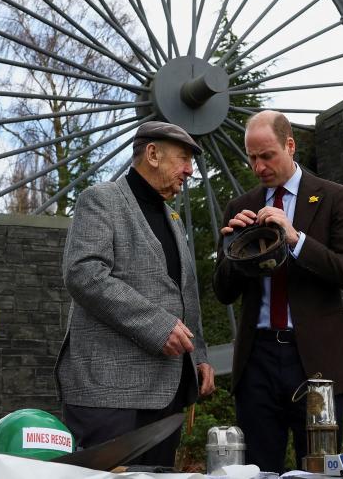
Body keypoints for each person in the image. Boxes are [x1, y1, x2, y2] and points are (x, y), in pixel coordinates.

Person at [213, 111, 343, 472]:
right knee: (256, 468)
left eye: (267, 155)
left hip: (313, 361)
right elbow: (222, 292)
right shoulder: (241, 206)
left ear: (290, 145)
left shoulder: (333, 198)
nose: (258, 166)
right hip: (258, 359)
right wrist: (236, 254)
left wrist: (296, 238)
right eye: (251, 157)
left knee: (317, 466)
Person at [56, 121, 216, 467]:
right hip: (108, 395)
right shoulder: (101, 200)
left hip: (164, 396)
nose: (190, 170)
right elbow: (83, 273)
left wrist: (199, 355)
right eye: (184, 159)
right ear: (153, 154)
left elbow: (182, 292)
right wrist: (156, 326)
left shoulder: (171, 217)